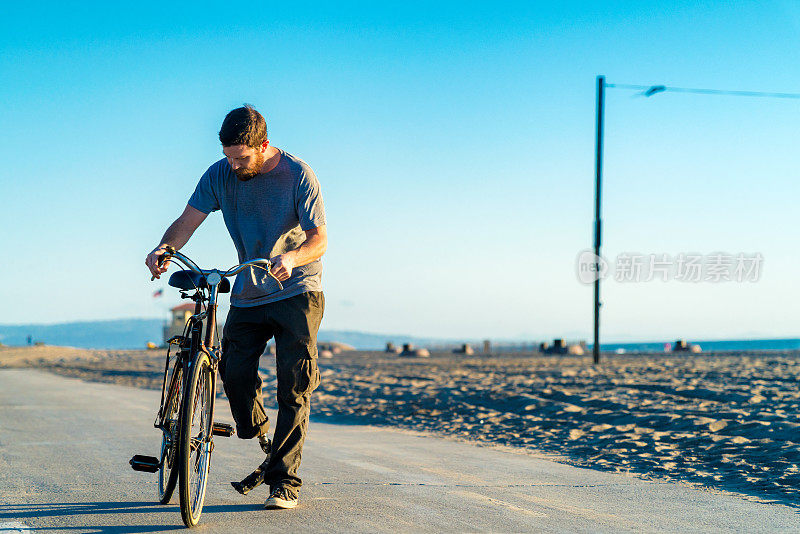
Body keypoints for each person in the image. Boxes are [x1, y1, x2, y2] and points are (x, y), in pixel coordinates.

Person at [145, 105, 327, 510]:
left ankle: (284, 482)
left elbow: (320, 238)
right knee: (235, 373)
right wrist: (165, 246)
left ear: (263, 146)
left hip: (297, 289)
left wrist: (293, 258)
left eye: (241, 157)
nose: (234, 164)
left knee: (293, 387)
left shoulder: (298, 174)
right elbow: (187, 221)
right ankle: (261, 435)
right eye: (228, 156)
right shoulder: (219, 174)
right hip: (248, 292)